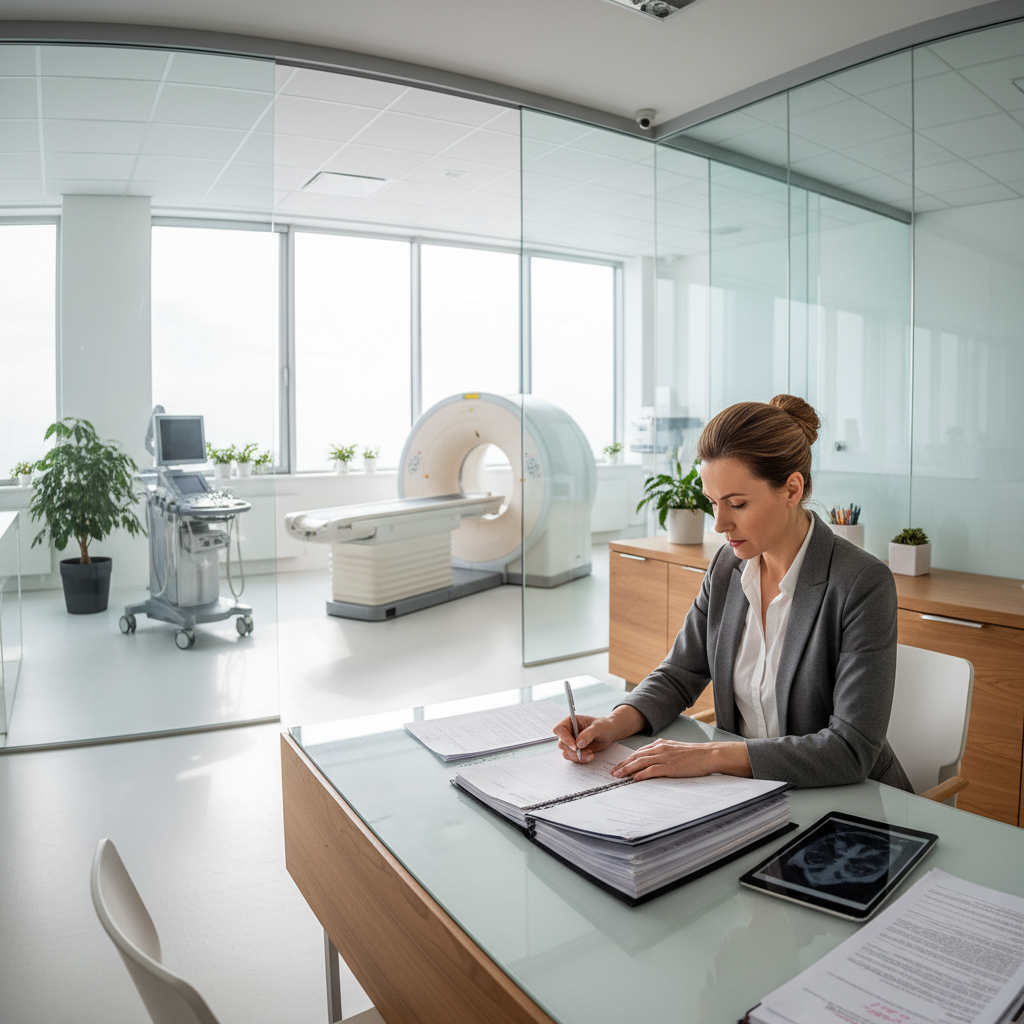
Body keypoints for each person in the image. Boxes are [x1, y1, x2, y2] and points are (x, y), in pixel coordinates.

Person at [554, 394, 912, 791]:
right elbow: (680, 673)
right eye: (713, 503)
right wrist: (612, 723)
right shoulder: (728, 567)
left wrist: (709, 758)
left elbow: (850, 749)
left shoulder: (861, 582)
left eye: (737, 504)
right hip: (752, 794)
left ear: (792, 489)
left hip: (850, 803)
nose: (720, 524)